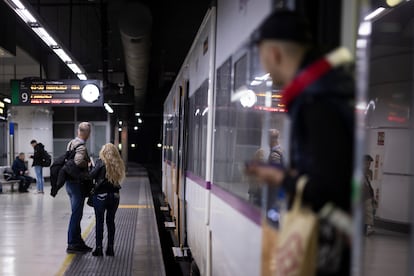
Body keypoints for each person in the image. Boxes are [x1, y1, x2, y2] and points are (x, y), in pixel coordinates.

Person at [246, 10, 354, 275]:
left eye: (262, 57)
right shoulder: (324, 90)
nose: (265, 67)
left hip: (326, 246)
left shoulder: (315, 101)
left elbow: (324, 188)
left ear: (275, 54)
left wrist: (279, 178)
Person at [89, 143, 125, 256]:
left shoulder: (100, 162)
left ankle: (99, 248)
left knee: (99, 222)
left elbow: (91, 176)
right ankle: (110, 249)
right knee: (111, 221)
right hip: (114, 196)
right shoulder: (118, 163)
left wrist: (91, 167)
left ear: (103, 152)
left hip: (101, 196)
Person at [65, 122, 93, 254]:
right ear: (87, 133)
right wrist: (87, 163)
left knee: (77, 213)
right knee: (76, 214)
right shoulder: (81, 147)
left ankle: (78, 241)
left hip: (69, 183)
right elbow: (77, 161)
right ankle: (72, 243)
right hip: (76, 184)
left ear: (78, 131)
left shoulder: (71, 143)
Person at [363, 154, 376, 236]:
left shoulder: (370, 172)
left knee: (371, 210)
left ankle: (367, 228)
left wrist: (372, 197)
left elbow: (369, 185)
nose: (368, 165)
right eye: (367, 163)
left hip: (367, 196)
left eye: (369, 163)